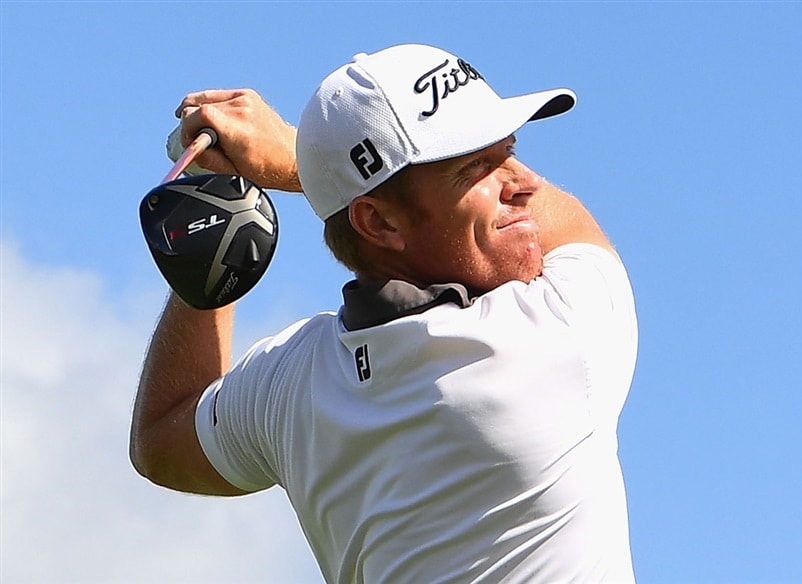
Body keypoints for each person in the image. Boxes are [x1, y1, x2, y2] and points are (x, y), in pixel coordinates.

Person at [130, 43, 638, 583]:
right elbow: (573, 227)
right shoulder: (558, 330)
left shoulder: (289, 385)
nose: (525, 184)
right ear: (379, 224)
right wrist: (299, 162)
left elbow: (161, 439)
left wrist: (212, 264)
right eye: (478, 167)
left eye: (507, 152)